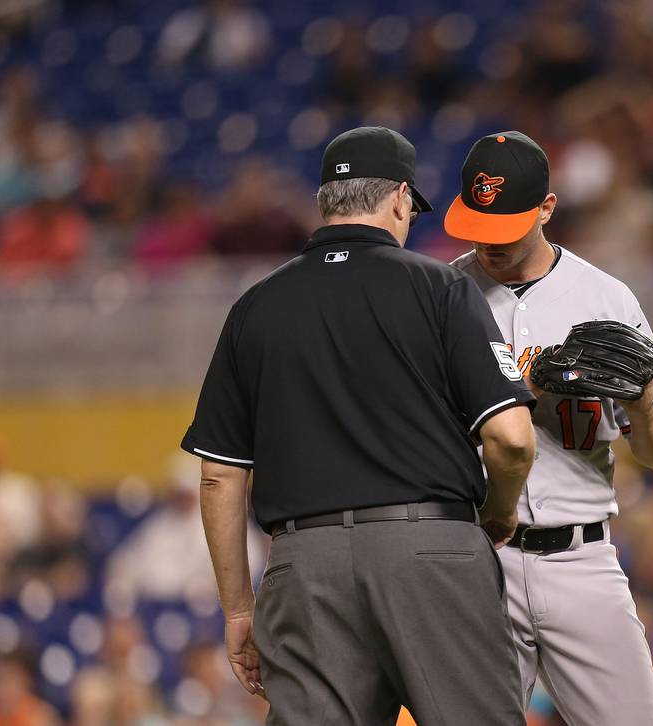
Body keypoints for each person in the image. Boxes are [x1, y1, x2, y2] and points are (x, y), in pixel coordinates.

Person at [181, 126, 535, 725]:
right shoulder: (442, 287)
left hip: (303, 564)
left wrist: (240, 609)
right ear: (400, 198)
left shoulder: (255, 306)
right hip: (431, 550)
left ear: (327, 203)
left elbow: (219, 477)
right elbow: (511, 437)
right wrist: (498, 512)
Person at [445, 130, 653, 725]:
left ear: (547, 209)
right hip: (477, 561)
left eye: (506, 227)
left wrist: (641, 403)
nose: (489, 244)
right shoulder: (442, 297)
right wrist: (524, 391)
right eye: (481, 224)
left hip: (582, 557)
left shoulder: (606, 298)